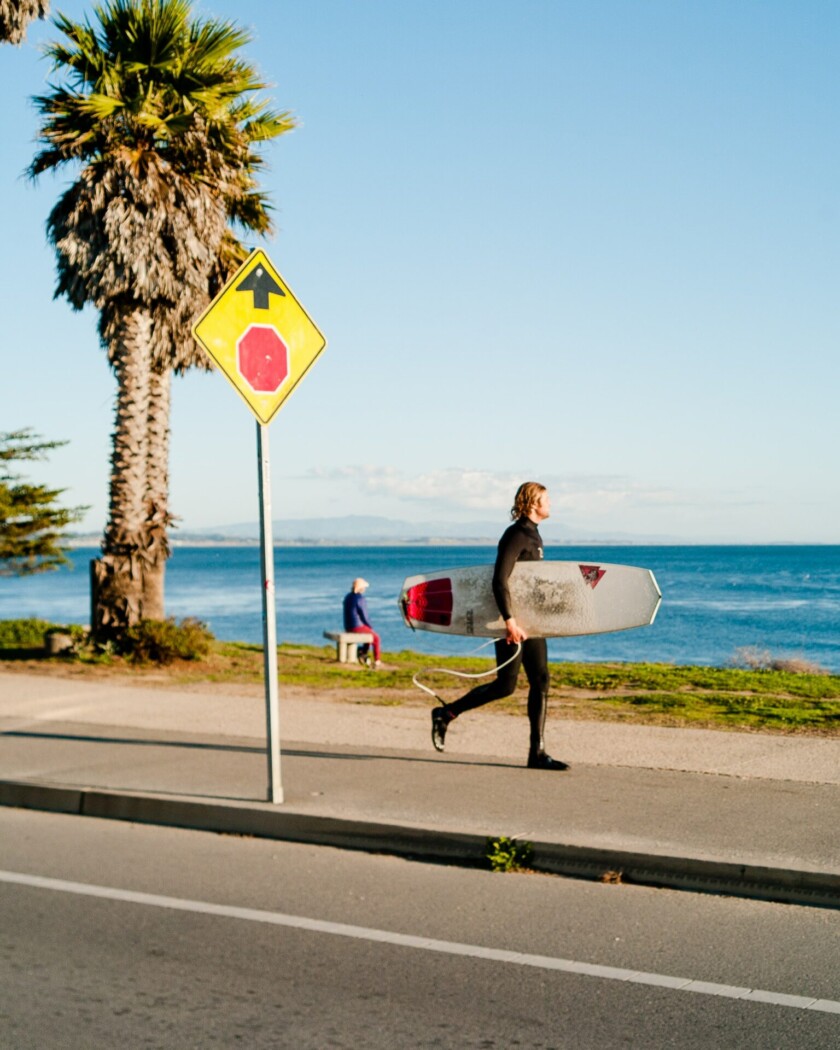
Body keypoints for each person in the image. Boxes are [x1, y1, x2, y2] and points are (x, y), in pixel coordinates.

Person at [430, 482, 569, 770]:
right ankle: (446, 713)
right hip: (512, 623)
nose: (551, 504)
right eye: (547, 499)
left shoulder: (534, 534)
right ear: (533, 503)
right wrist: (509, 621)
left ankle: (537, 753)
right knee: (505, 686)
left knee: (541, 681)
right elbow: (499, 580)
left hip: (531, 623)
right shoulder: (516, 535)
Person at [343, 577, 382, 668]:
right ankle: (377, 660)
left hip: (348, 626)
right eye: (364, 587)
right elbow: (364, 616)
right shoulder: (360, 599)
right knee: (376, 638)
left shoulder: (348, 597)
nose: (365, 589)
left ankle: (363, 653)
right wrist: (370, 625)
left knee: (368, 633)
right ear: (361, 588)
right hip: (356, 626)